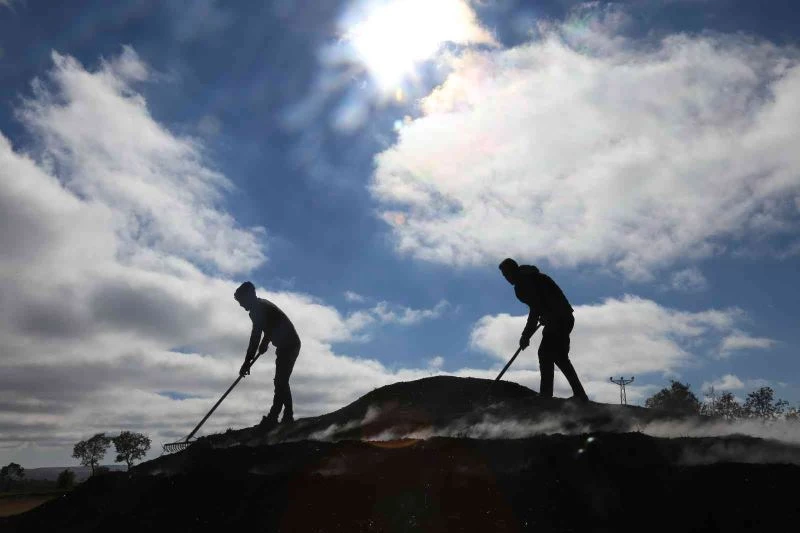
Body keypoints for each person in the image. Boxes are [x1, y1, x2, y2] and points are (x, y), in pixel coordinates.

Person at [498, 258, 589, 402]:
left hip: (560, 319)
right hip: (561, 319)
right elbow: (536, 309)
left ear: (513, 270)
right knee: (560, 358)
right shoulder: (525, 283)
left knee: (545, 353)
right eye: (504, 276)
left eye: (506, 274)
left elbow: (542, 305)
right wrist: (526, 334)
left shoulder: (527, 282)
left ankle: (546, 395)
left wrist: (527, 334)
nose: (506, 278)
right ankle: (580, 394)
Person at [234, 281, 301, 430]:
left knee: (280, 381)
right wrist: (248, 360)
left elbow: (268, 329)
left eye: (241, 301)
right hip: (284, 346)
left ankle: (281, 417)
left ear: (249, 296)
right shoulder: (257, 310)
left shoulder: (262, 307)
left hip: (290, 344)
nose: (240, 305)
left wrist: (264, 343)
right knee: (280, 381)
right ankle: (279, 416)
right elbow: (258, 334)